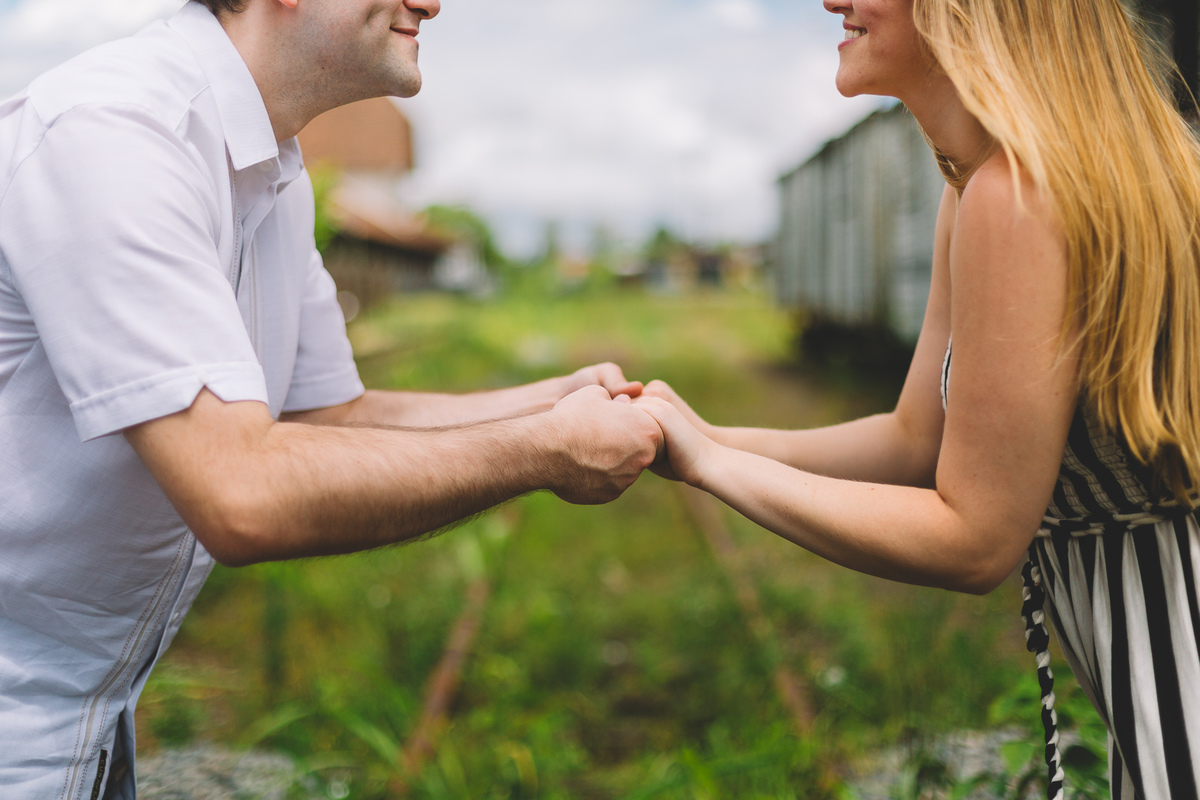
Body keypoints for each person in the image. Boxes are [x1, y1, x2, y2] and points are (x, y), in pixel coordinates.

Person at [0, 0, 663, 796]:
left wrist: (548, 403)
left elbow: (327, 415)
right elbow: (241, 491)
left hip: (88, 719)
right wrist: (547, 450)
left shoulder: (273, 170)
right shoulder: (115, 130)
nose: (432, 3)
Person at [635, 1, 1200, 798]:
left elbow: (975, 539)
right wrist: (710, 437)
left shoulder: (1016, 194)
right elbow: (913, 441)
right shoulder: (982, 191)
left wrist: (712, 471)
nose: (832, 0)